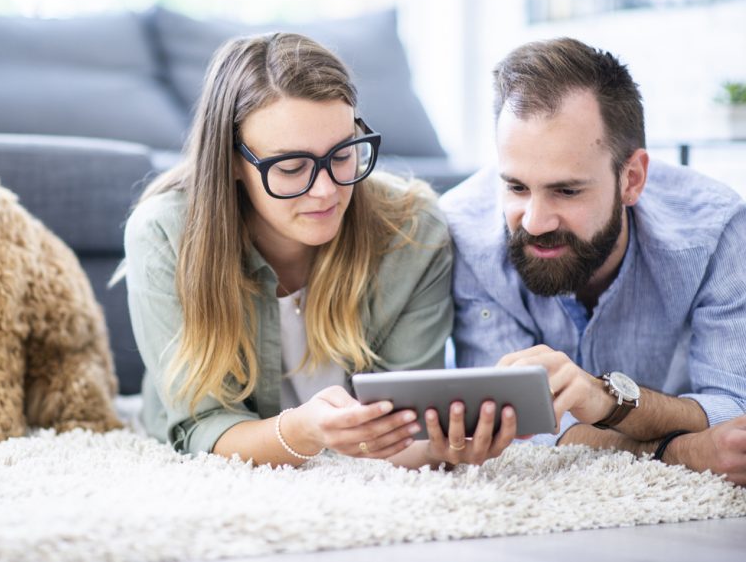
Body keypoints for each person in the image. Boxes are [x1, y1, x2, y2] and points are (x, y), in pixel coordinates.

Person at [121, 32, 517, 468]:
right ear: (232, 161)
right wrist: (300, 432)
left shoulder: (412, 229)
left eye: (344, 153)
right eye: (291, 167)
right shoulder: (164, 233)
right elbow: (199, 429)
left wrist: (439, 446)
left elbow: (409, 424)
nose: (327, 191)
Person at [440, 37, 746, 485]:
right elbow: (516, 432)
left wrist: (606, 400)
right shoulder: (466, 231)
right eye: (516, 187)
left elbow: (734, 414)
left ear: (632, 178)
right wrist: (678, 451)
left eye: (566, 190)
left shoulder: (715, 231)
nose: (536, 221)